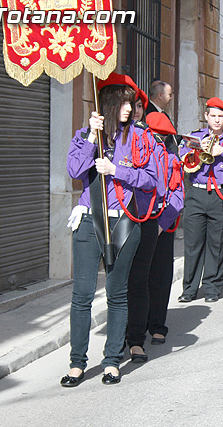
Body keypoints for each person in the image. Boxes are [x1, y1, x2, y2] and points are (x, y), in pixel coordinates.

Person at [61, 73, 158, 387]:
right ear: (108, 103)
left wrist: (118, 170)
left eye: (132, 103)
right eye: (123, 102)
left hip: (124, 221)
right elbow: (75, 170)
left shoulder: (142, 138)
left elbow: (151, 180)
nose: (129, 109)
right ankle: (77, 363)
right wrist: (91, 136)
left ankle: (112, 360)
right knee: (82, 295)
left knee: (117, 294)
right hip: (90, 220)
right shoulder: (88, 134)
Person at [125, 112, 185, 362]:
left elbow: (177, 194)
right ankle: (132, 329)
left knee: (160, 277)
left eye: (163, 137)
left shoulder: (172, 159)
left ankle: (157, 324)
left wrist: (161, 223)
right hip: (138, 221)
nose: (158, 140)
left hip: (162, 222)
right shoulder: (135, 150)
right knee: (137, 278)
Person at [178, 98, 223, 303]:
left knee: (217, 243)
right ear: (206, 116)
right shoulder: (195, 137)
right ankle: (189, 289)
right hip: (197, 193)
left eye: (220, 116)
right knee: (192, 244)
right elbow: (182, 159)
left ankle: (212, 288)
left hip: (221, 195)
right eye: (213, 115)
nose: (216, 120)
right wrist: (196, 151)